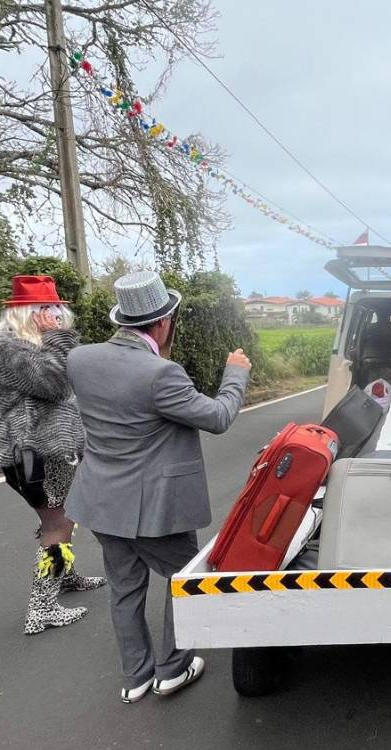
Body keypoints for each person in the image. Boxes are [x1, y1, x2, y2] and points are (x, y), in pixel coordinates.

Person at [64, 271, 252, 704]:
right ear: (164, 321)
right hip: (155, 508)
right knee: (185, 577)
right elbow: (218, 417)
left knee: (125, 588)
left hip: (100, 501)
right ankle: (173, 667)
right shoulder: (160, 373)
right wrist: (234, 374)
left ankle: (135, 678)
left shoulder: (80, 359)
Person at [0, 275, 106, 636]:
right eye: (50, 309)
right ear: (32, 313)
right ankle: (42, 608)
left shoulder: (24, 343)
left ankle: (65, 578)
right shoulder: (10, 347)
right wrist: (59, 339)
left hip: (41, 450)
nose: (57, 316)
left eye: (57, 309)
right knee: (58, 525)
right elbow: (54, 384)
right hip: (33, 453)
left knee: (61, 517)